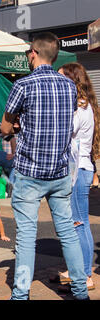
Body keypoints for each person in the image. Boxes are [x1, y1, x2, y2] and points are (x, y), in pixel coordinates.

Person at [1, 32, 89, 300]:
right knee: (68, 234)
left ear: (33, 53)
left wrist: (17, 126)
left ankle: (20, 294)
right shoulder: (69, 86)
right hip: (60, 172)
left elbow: (5, 126)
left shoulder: (23, 86)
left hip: (30, 172)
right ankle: (80, 291)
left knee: (26, 236)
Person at [50, 62, 100, 292]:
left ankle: (86, 275)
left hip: (77, 170)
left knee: (79, 223)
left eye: (62, 78)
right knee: (76, 223)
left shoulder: (79, 107)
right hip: (78, 168)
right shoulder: (82, 105)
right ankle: (76, 270)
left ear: (73, 80)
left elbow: (65, 133)